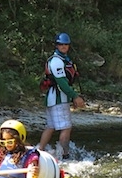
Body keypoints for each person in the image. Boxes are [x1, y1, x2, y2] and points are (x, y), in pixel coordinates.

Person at [37, 32, 86, 160]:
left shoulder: (64, 60)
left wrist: (72, 97)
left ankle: (38, 152)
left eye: (66, 44)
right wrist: (75, 96)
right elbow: (62, 83)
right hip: (58, 100)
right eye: (61, 44)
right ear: (57, 45)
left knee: (51, 126)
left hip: (54, 100)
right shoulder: (57, 61)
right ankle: (65, 156)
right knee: (66, 127)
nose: (64, 46)